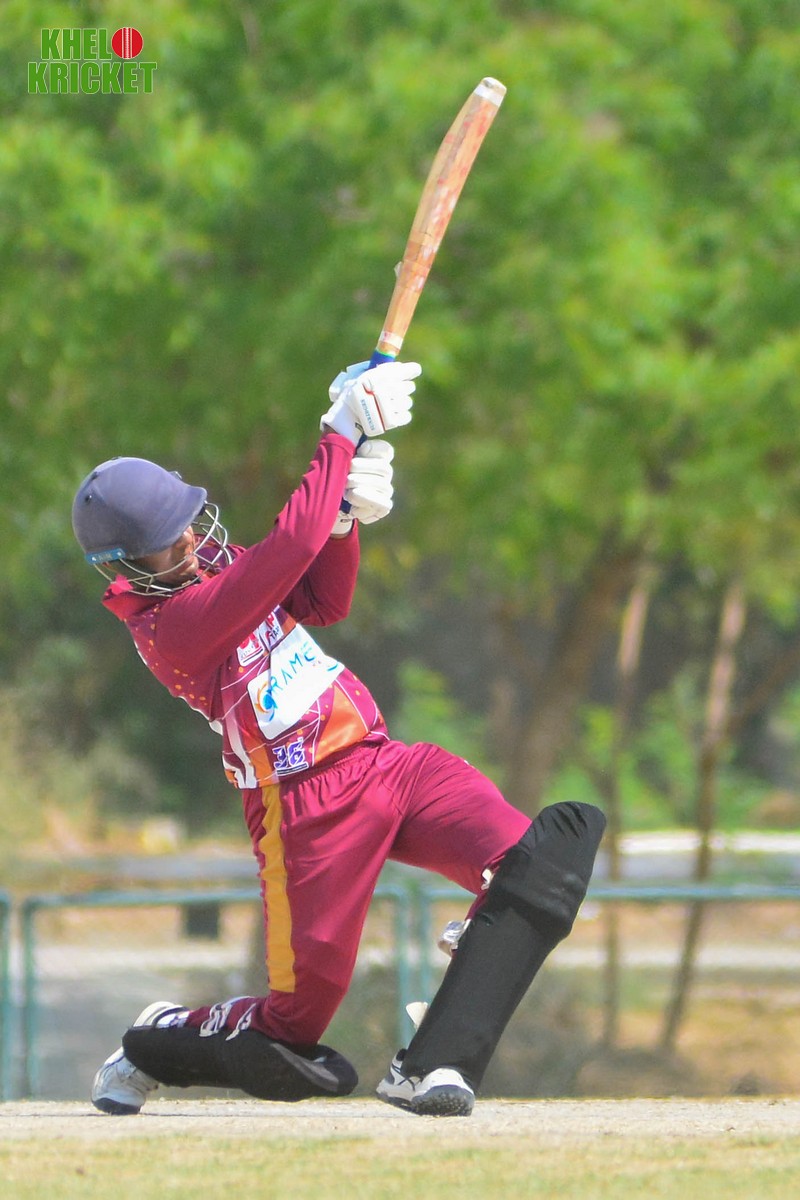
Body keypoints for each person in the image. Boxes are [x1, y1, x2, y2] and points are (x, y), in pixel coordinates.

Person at [72, 358, 606, 1118]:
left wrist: (346, 518)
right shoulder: (171, 628)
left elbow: (324, 597)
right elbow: (292, 545)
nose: (188, 538)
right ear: (129, 567)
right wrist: (338, 434)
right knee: (295, 1024)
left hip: (385, 764)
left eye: (186, 519)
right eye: (165, 541)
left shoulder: (215, 568)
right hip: (303, 812)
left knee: (537, 866)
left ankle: (432, 1064)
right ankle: (156, 1039)